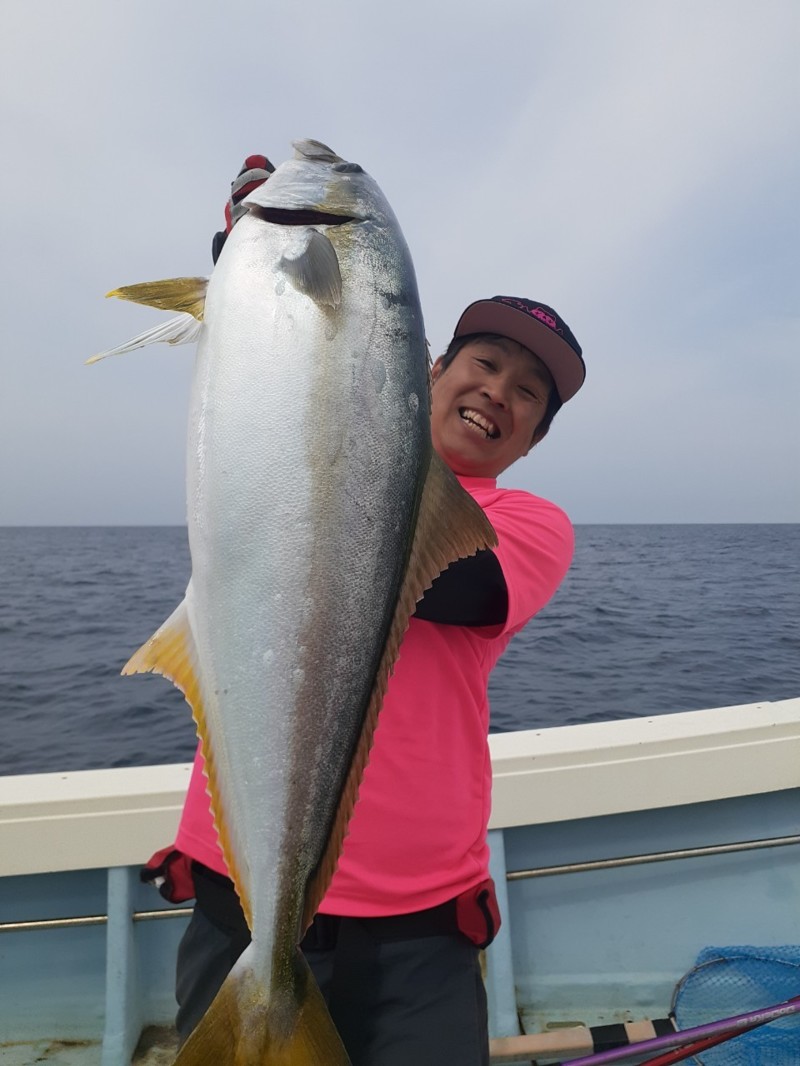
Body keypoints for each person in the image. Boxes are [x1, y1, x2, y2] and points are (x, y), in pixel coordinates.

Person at [145, 157, 586, 1066]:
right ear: (427, 371)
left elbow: (453, 587)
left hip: (417, 925)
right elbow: (261, 415)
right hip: (238, 883)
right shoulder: (312, 473)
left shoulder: (524, 526)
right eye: (485, 363)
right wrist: (254, 288)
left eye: (527, 393)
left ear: (534, 438)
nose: (497, 392)